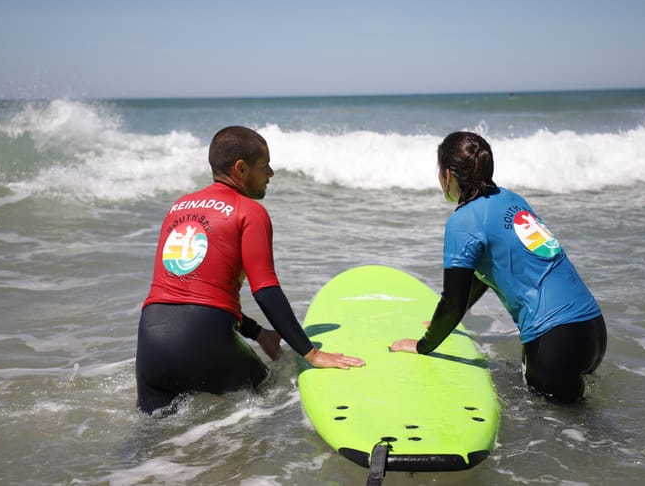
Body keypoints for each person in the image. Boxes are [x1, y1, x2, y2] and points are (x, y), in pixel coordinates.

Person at [136, 125, 364, 414]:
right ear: (241, 169)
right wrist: (312, 353)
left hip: (151, 342)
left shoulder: (177, 208)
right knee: (271, 395)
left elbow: (192, 296)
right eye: (265, 167)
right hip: (205, 339)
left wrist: (258, 334)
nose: (270, 174)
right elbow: (266, 291)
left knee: (151, 440)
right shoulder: (250, 211)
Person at [390, 131, 606, 403]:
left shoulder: (463, 221)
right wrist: (443, 323)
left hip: (553, 342)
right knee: (585, 426)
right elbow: (483, 274)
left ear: (448, 175)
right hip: (591, 331)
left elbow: (453, 300)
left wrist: (424, 345)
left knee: (564, 433)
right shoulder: (512, 199)